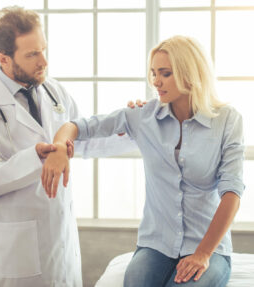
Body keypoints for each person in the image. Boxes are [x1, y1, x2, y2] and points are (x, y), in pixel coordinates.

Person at [41, 35, 244, 287]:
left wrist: (203, 254)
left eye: (165, 73)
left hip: (207, 246)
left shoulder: (227, 120)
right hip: (156, 244)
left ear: (189, 73)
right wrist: (59, 148)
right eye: (153, 73)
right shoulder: (143, 116)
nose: (156, 82)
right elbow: (77, 126)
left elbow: (232, 193)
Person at [0, 6, 137, 287]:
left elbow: (84, 142)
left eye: (43, 49)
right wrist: (34, 158)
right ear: (2, 58)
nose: (44, 61)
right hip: (18, 249)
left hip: (61, 239)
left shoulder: (55, 92)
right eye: (32, 54)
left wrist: (134, 129)